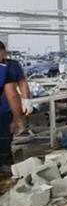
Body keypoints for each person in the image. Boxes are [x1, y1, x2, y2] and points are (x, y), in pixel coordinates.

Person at [0, 42, 25, 171]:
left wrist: (26, 101)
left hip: (4, 111)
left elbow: (19, 86)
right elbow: (12, 94)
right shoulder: (4, 69)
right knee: (4, 139)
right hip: (3, 112)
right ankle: (5, 165)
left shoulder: (10, 66)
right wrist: (18, 118)